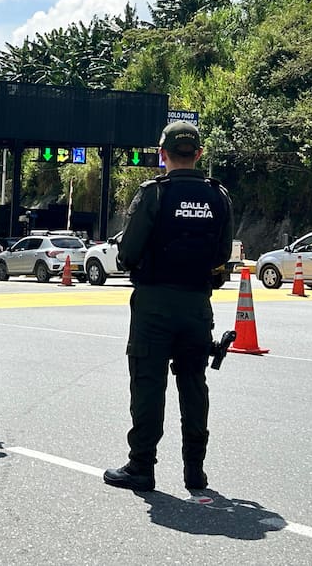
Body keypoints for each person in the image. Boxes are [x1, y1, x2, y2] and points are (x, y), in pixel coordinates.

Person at [103, 121, 233, 494]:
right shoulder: (219, 196)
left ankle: (141, 466)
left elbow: (127, 255)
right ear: (199, 154)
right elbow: (222, 254)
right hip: (196, 304)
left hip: (154, 305)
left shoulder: (153, 195)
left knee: (148, 384)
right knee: (194, 384)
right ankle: (195, 470)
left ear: (162, 154)